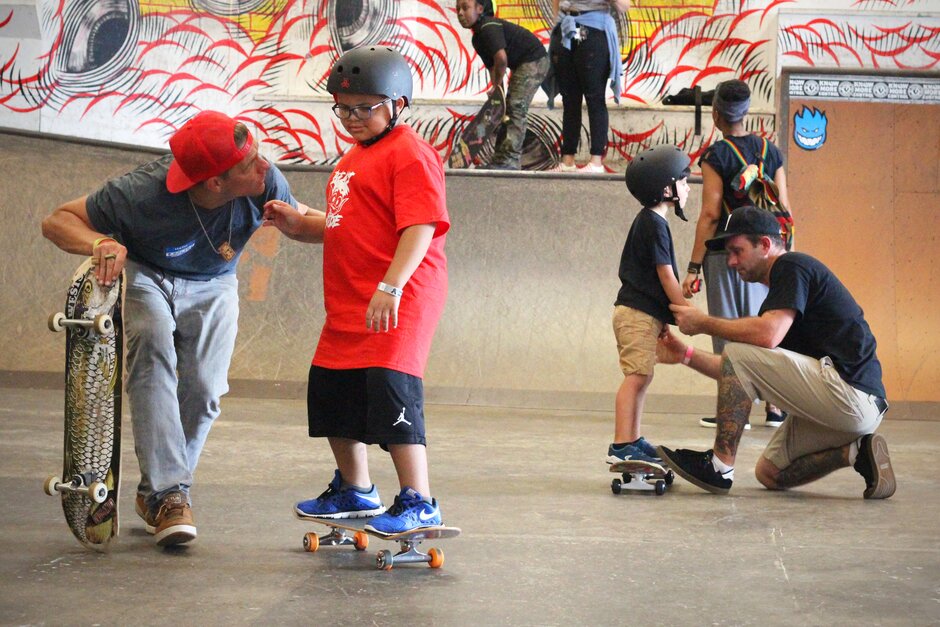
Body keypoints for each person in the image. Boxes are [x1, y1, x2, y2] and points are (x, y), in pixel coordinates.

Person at [41, 111, 315, 546]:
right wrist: (99, 243)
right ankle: (170, 495)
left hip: (216, 282)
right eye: (249, 165)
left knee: (206, 389)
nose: (264, 167)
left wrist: (358, 228)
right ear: (214, 184)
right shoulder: (139, 194)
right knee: (152, 352)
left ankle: (155, 494)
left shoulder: (266, 180)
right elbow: (57, 220)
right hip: (148, 275)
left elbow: (303, 219)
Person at [266, 47, 451, 534]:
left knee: (391, 391)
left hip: (400, 294)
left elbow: (422, 227)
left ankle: (420, 500)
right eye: (343, 108)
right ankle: (355, 489)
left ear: (398, 103)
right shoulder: (352, 158)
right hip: (351, 298)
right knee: (332, 387)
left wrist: (391, 285)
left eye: (364, 108)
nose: (351, 118)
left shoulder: (410, 153)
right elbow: (348, 225)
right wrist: (300, 224)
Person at [655, 206, 896, 500]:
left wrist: (703, 323)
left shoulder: (792, 266)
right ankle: (858, 453)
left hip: (850, 393)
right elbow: (737, 372)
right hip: (854, 411)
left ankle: (719, 468)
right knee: (769, 473)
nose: (731, 262)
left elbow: (763, 339)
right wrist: (684, 354)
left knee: (739, 351)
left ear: (766, 245)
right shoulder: (778, 305)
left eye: (737, 251)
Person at [681, 78, 793, 429]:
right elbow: (785, 206)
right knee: (765, 327)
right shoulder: (770, 150)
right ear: (746, 113)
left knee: (729, 329)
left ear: (715, 115)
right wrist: (784, 254)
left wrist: (693, 267)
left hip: (728, 254)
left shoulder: (716, 155)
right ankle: (776, 407)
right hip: (769, 250)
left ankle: (736, 409)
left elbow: (711, 213)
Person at [607, 145, 691, 465]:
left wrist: (664, 316)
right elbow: (665, 274)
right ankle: (620, 444)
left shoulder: (653, 221)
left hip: (643, 314)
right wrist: (683, 309)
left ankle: (633, 439)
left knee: (642, 376)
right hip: (635, 315)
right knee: (636, 377)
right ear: (665, 187)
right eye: (682, 182)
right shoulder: (654, 224)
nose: (686, 188)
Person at [456, 0, 550, 170]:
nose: (460, 13)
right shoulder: (477, 38)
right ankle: (500, 159)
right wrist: (497, 94)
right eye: (458, 9)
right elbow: (493, 66)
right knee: (506, 109)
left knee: (515, 107)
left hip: (535, 60)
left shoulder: (488, 27)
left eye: (465, 8)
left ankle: (510, 160)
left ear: (480, 9)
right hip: (524, 62)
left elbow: (501, 59)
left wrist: (497, 87)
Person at [549, 0, 629, 173]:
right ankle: (568, 160)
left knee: (594, 97)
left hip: (593, 28)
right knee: (569, 99)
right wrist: (557, 22)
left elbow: (623, 5)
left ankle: (596, 161)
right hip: (568, 26)